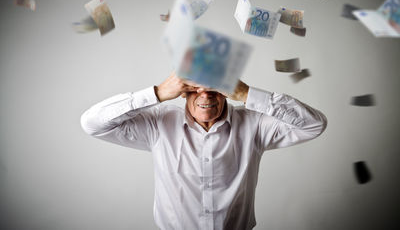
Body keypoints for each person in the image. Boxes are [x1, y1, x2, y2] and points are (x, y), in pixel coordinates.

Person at [80, 73, 327, 230]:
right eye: (197, 86)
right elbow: (91, 123)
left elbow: (315, 124)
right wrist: (157, 93)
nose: (206, 94)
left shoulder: (254, 124)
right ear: (183, 90)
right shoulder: (158, 124)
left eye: (216, 87)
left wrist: (247, 93)